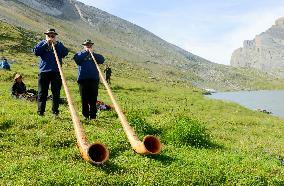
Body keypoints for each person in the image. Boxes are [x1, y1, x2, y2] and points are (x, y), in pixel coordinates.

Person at [33, 28, 69, 116]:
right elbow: (36, 52)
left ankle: (55, 112)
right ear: (46, 36)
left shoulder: (59, 44)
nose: (50, 37)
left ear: (55, 36)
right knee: (42, 92)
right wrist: (46, 44)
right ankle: (40, 112)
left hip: (56, 72)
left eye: (52, 36)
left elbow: (65, 53)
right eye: (48, 35)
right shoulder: (42, 43)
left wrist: (56, 45)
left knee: (56, 92)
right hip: (44, 71)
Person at [73, 39, 105, 120]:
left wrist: (92, 54)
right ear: (84, 46)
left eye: (90, 45)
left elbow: (102, 60)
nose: (88, 46)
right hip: (83, 80)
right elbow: (77, 59)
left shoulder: (95, 55)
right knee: (84, 98)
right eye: (87, 45)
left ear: (92, 46)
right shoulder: (80, 54)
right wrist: (86, 52)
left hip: (94, 80)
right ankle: (86, 116)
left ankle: (93, 116)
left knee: (93, 98)